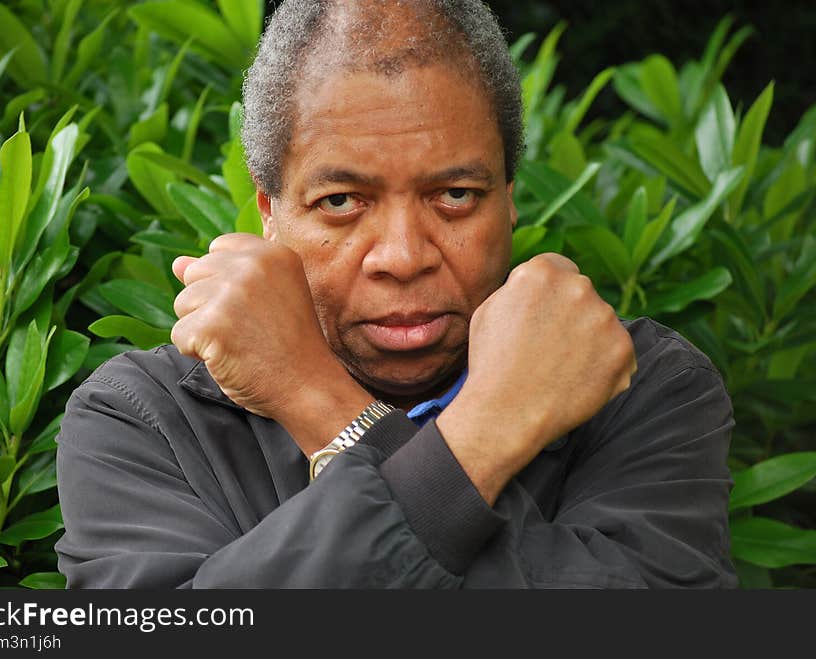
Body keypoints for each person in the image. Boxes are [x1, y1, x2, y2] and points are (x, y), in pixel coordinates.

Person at [55, 0, 737, 588]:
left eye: (455, 195)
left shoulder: (642, 390)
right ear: (269, 211)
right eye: (343, 200)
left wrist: (324, 410)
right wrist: (483, 435)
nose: (403, 257)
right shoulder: (143, 421)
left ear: (509, 200)